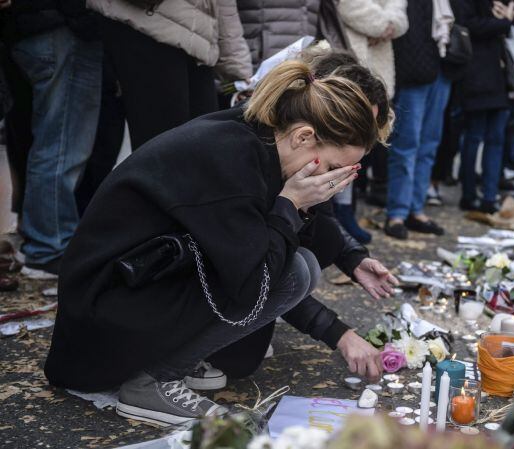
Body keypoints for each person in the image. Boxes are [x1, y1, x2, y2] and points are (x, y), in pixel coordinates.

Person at [44, 59, 397, 426]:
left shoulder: (257, 140)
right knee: (293, 272)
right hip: (103, 311)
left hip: (131, 287)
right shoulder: (232, 157)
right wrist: (289, 205)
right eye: (329, 168)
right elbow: (255, 285)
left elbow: (287, 247)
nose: (329, 181)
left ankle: (165, 362)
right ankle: (150, 382)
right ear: (304, 136)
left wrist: (308, 217)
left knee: (302, 266)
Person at [2, 0, 102, 278]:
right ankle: (49, 246)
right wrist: (80, 15)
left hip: (34, 28)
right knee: (61, 144)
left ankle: (46, 241)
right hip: (56, 28)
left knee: (52, 141)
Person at [89, 0, 253, 150]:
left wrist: (239, 72)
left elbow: (224, 8)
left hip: (198, 43)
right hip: (146, 28)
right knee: (161, 155)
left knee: (204, 151)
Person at [334, 0, 407, 243]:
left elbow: (401, 13)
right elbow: (348, 6)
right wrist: (383, 24)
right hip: (348, 57)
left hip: (379, 65)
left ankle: (346, 211)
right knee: (340, 139)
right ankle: (336, 214)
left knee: (363, 141)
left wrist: (388, 24)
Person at [384, 0, 452, 240]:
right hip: (413, 71)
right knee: (406, 145)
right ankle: (398, 213)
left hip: (442, 68)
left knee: (429, 145)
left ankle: (416, 209)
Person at [455, 0, 514, 214]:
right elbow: (468, 24)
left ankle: (489, 196)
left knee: (495, 138)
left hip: (497, 76)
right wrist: (504, 21)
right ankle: (469, 193)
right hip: (476, 74)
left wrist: (504, 20)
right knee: (475, 137)